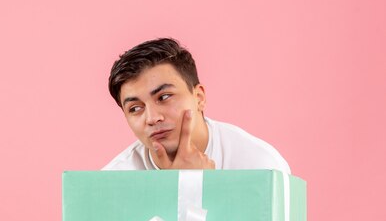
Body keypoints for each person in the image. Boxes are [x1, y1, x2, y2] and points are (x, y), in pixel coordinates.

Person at [102, 38, 290, 173]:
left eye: (164, 97)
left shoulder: (261, 167)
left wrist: (204, 186)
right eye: (135, 108)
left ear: (199, 97)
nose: (152, 118)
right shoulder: (113, 182)